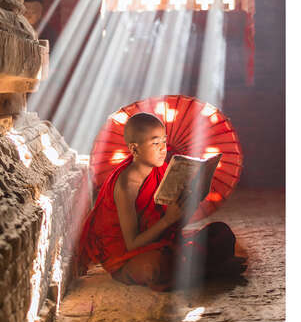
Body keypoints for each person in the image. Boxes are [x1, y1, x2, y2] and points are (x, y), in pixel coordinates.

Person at [75, 112, 246, 291]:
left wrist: (188, 205)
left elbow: (174, 229)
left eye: (164, 141)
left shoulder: (165, 171)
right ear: (134, 149)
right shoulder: (126, 185)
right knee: (156, 267)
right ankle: (214, 270)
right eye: (155, 143)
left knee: (221, 231)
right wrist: (167, 220)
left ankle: (203, 270)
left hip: (162, 243)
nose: (163, 149)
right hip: (128, 258)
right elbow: (132, 243)